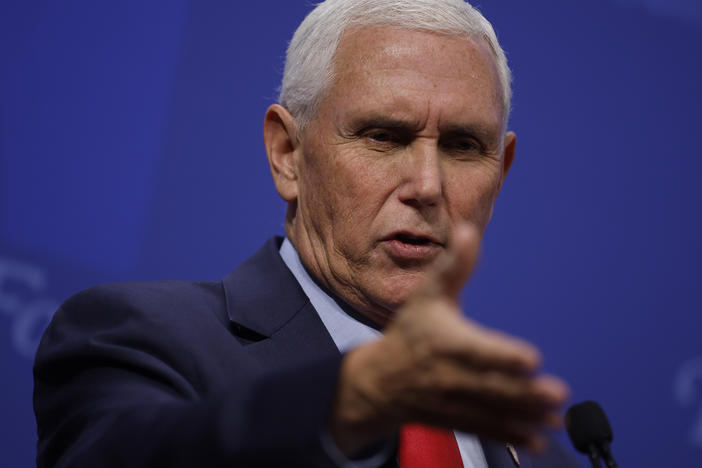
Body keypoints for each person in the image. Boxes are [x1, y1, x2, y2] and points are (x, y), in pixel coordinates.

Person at [34, 0, 582, 467]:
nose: (427, 186)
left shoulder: (535, 451)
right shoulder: (139, 339)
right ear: (288, 155)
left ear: (502, 172)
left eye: (463, 145)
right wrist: (343, 404)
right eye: (383, 136)